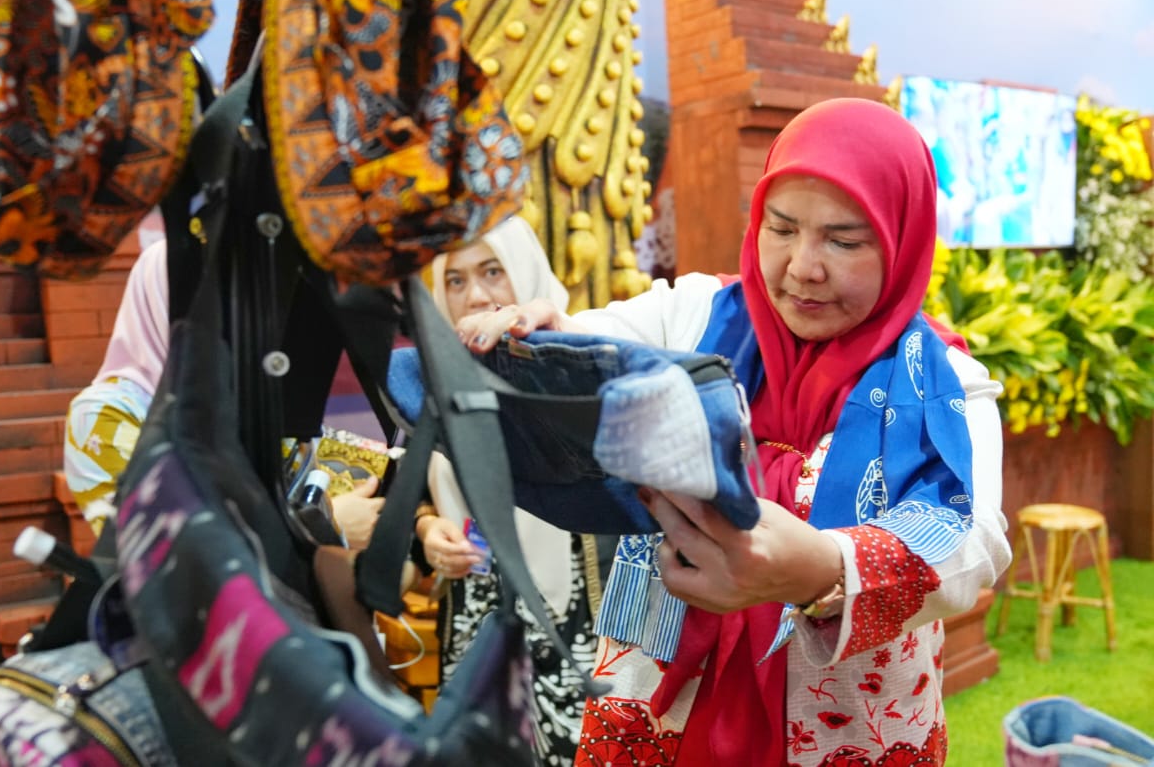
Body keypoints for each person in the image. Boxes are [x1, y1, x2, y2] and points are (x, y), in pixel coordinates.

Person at [453, 98, 1013, 765]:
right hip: (656, 709)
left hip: (848, 730)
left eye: (844, 240)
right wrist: (544, 339)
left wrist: (821, 568)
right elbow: (598, 352)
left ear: (902, 240)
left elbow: (972, 537)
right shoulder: (694, 319)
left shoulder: (944, 384)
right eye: (781, 228)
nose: (803, 266)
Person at [415, 215, 609, 767]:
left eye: (493, 271)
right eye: (455, 279)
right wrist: (430, 532)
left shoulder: (587, 369)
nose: (475, 295)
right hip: (478, 637)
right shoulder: (429, 381)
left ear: (523, 272)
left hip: (577, 634)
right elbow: (407, 494)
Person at [63, 239, 385, 545]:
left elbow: (371, 469)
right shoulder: (106, 414)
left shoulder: (247, 402)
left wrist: (422, 523)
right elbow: (170, 551)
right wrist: (325, 524)